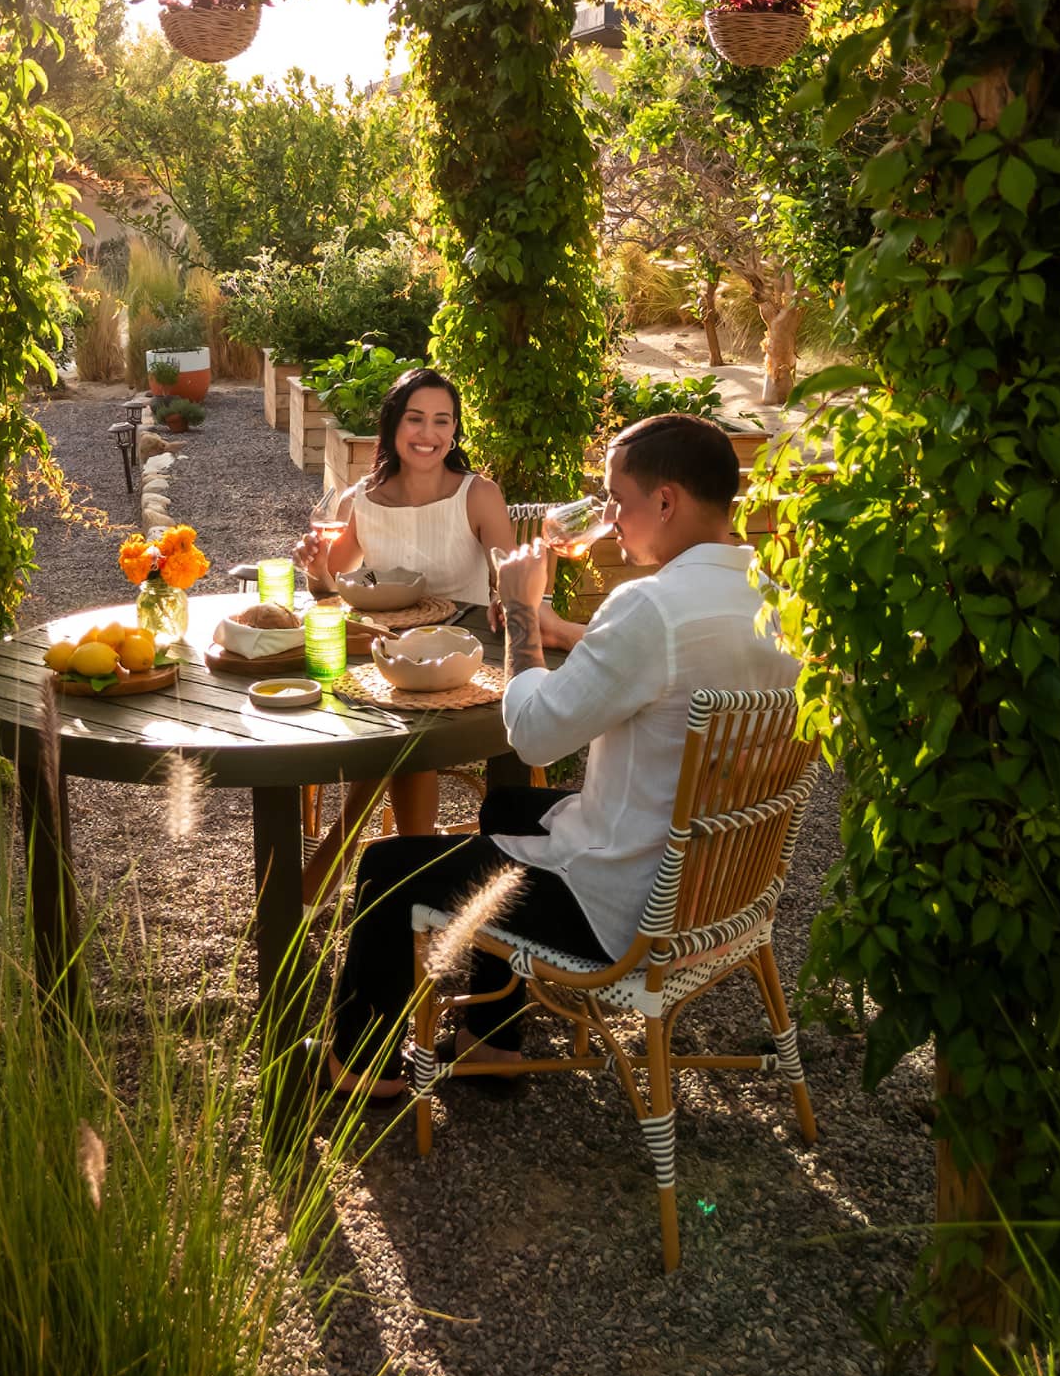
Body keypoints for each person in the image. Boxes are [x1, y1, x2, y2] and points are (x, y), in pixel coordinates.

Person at [318, 412, 798, 1102]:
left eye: (617, 499)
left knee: (388, 866)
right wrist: (569, 630)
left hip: (622, 906)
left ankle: (364, 1071)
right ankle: (492, 1038)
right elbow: (666, 664)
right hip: (719, 880)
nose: (609, 516)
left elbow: (535, 735)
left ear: (665, 502)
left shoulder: (649, 608)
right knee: (507, 804)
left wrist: (518, 611)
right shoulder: (774, 593)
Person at [293, 368, 516, 906]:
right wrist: (314, 564)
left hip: (467, 657)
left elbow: (515, 575)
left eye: (442, 421)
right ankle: (412, 884)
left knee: (401, 729)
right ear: (394, 426)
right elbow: (331, 585)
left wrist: (506, 596)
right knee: (393, 716)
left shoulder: (477, 494)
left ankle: (339, 861)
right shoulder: (359, 500)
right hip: (388, 656)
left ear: (455, 430)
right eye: (415, 418)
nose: (428, 433)